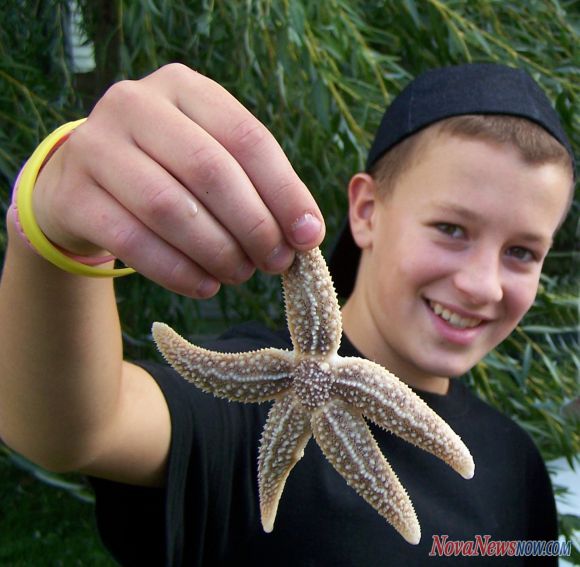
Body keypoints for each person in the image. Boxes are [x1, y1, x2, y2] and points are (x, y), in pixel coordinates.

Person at [0, 62, 574, 566]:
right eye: (451, 229)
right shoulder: (244, 400)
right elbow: (74, 430)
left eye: (522, 251)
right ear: (366, 211)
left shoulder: (518, 468)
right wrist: (54, 232)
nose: (481, 284)